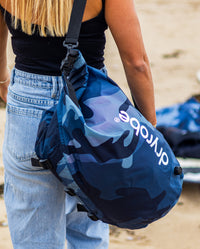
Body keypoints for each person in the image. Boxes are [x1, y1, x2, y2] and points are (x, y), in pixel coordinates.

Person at [0, 0, 157, 248]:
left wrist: (3, 81)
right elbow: (136, 63)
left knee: (34, 239)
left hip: (29, 110)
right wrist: (149, 128)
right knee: (88, 233)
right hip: (90, 111)